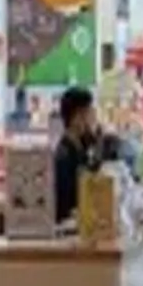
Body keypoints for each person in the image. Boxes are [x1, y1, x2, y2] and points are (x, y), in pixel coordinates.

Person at [53, 85, 111, 224]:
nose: (93, 118)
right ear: (78, 117)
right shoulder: (64, 156)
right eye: (90, 113)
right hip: (69, 229)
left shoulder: (80, 147)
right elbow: (66, 206)